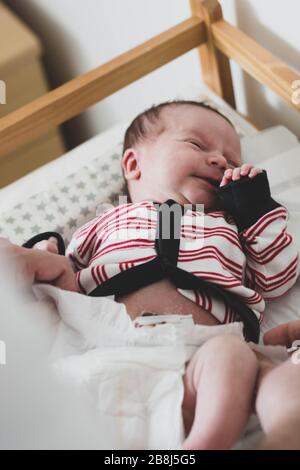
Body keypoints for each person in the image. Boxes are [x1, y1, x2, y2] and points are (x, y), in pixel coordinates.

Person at [1, 100, 299, 450]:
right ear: (133, 164)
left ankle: (207, 444)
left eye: (232, 161)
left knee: (244, 361)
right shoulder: (105, 222)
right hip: (99, 340)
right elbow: (68, 270)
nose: (221, 160)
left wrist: (257, 211)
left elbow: (277, 279)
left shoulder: (233, 227)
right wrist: (44, 256)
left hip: (198, 353)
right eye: (197, 145)